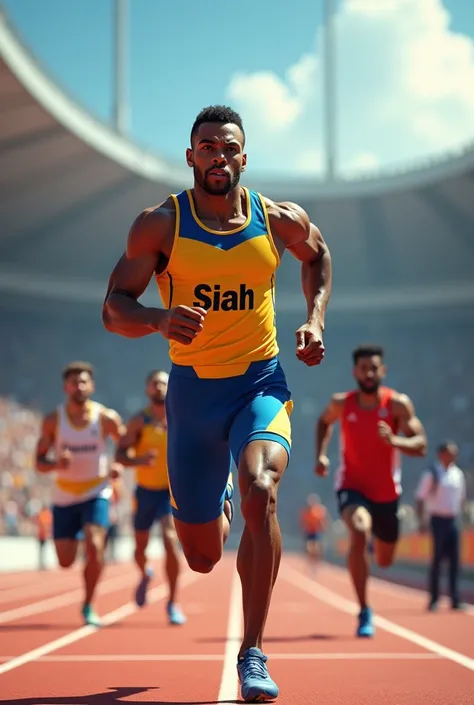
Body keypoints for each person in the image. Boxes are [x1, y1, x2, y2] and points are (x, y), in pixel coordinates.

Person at [102, 104, 331, 701]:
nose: (218, 157)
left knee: (263, 490)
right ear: (191, 156)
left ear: (244, 158)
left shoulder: (277, 220)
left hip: (260, 384)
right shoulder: (160, 225)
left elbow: (319, 258)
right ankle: (221, 493)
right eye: (207, 147)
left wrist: (313, 320)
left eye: (228, 148)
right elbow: (112, 308)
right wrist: (156, 319)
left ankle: (252, 652)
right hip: (193, 397)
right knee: (202, 556)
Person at [315, 344, 427, 638]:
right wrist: (321, 455)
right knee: (360, 530)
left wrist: (395, 441)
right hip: (352, 486)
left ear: (382, 371)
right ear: (355, 372)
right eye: (363, 368)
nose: (369, 373)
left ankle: (378, 541)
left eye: (374, 368)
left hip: (387, 493)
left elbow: (421, 444)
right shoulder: (342, 403)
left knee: (386, 560)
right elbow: (323, 422)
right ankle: (364, 609)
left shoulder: (397, 405)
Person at [35, 361, 125, 626]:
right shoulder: (53, 421)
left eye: (84, 382)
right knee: (65, 560)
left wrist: (119, 464)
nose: (79, 386)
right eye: (74, 382)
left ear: (91, 386)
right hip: (64, 495)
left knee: (95, 546)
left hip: (96, 490)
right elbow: (39, 462)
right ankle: (75, 535)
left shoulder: (105, 418)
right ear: (66, 387)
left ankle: (88, 603)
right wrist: (55, 464)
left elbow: (125, 448)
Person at [116, 369, 186, 625]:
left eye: (163, 383)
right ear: (147, 389)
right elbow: (120, 456)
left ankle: (172, 602)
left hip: (171, 492)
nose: (159, 387)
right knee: (140, 547)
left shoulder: (180, 417)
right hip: (145, 492)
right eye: (154, 383)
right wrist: (139, 460)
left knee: (170, 540)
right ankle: (145, 573)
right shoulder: (139, 422)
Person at [415, 440, 466, 611]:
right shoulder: (432, 473)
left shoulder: (458, 474)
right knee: (437, 561)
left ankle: (455, 599)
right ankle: (434, 599)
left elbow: (461, 498)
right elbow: (420, 497)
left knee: (455, 561)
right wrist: (422, 521)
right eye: (450, 453)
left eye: (455, 453)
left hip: (453, 520)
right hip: (437, 520)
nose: (453, 456)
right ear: (441, 454)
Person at [300, 493, 327, 570]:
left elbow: (323, 521)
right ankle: (311, 562)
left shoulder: (320, 510)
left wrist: (323, 527)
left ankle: (316, 563)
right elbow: (304, 522)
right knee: (310, 548)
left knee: (317, 548)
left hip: (317, 532)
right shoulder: (306, 511)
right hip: (309, 532)